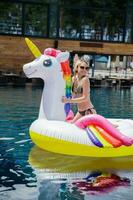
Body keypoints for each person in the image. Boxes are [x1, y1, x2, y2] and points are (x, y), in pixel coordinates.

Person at [62, 58, 96, 123]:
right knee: (71, 124)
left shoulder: (85, 80)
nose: (84, 70)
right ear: (77, 68)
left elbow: (84, 98)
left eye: (87, 68)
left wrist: (69, 100)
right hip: (80, 112)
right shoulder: (73, 79)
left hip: (88, 111)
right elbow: (73, 95)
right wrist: (67, 100)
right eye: (82, 67)